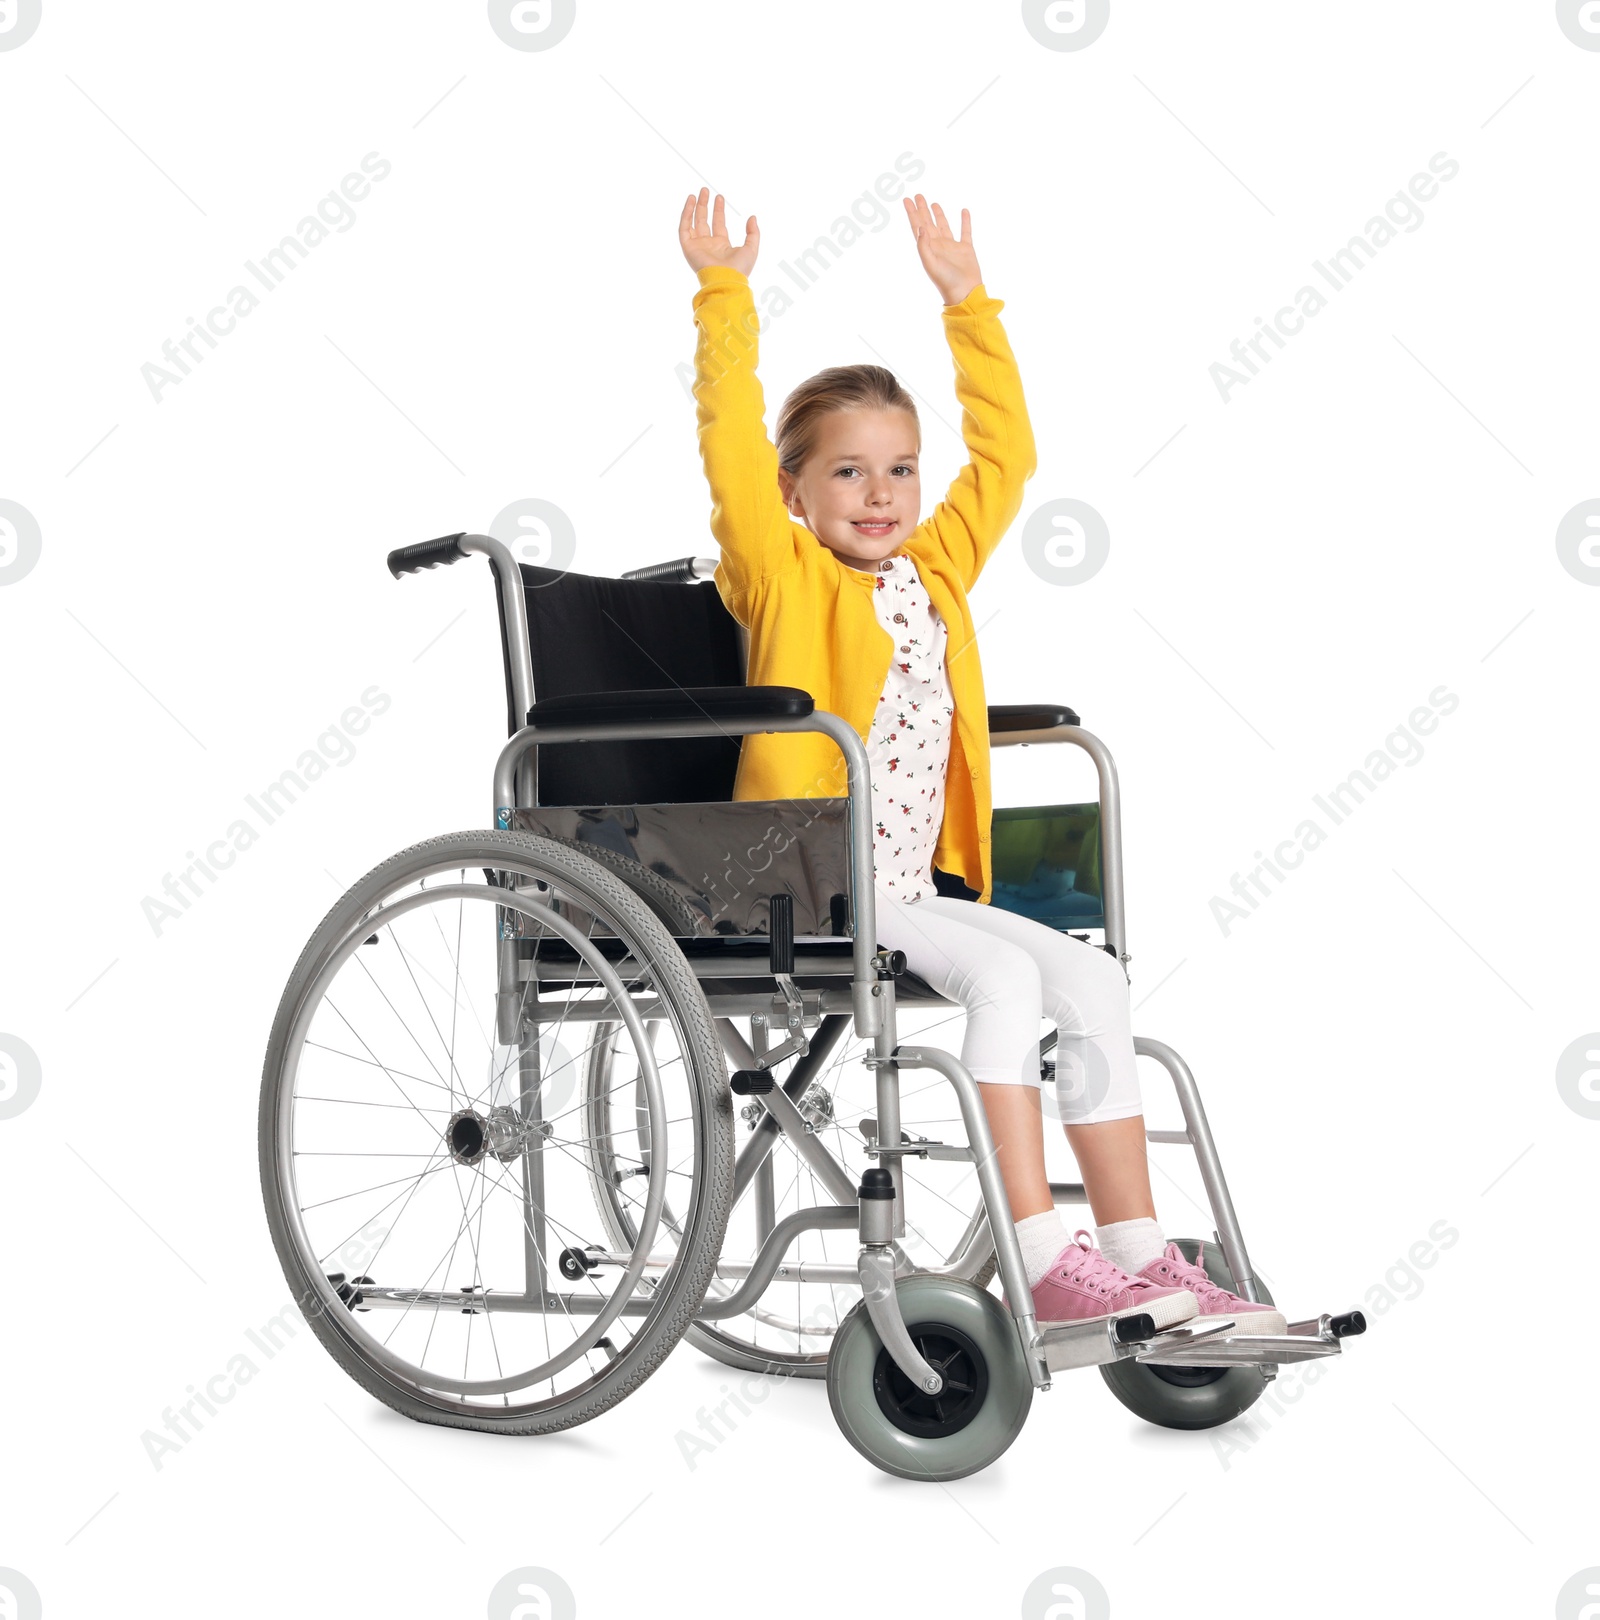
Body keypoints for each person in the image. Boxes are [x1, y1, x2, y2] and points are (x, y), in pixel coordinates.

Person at [680, 186, 1283, 1335]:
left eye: (899, 470)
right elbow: (725, 438)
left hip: (909, 887)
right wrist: (723, 296)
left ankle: (1140, 1253)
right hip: (813, 886)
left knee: (1093, 976)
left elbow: (1008, 456)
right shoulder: (781, 575)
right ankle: (1043, 1254)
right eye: (848, 472)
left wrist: (968, 305)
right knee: (1005, 984)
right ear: (794, 492)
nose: (881, 495)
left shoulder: (935, 573)